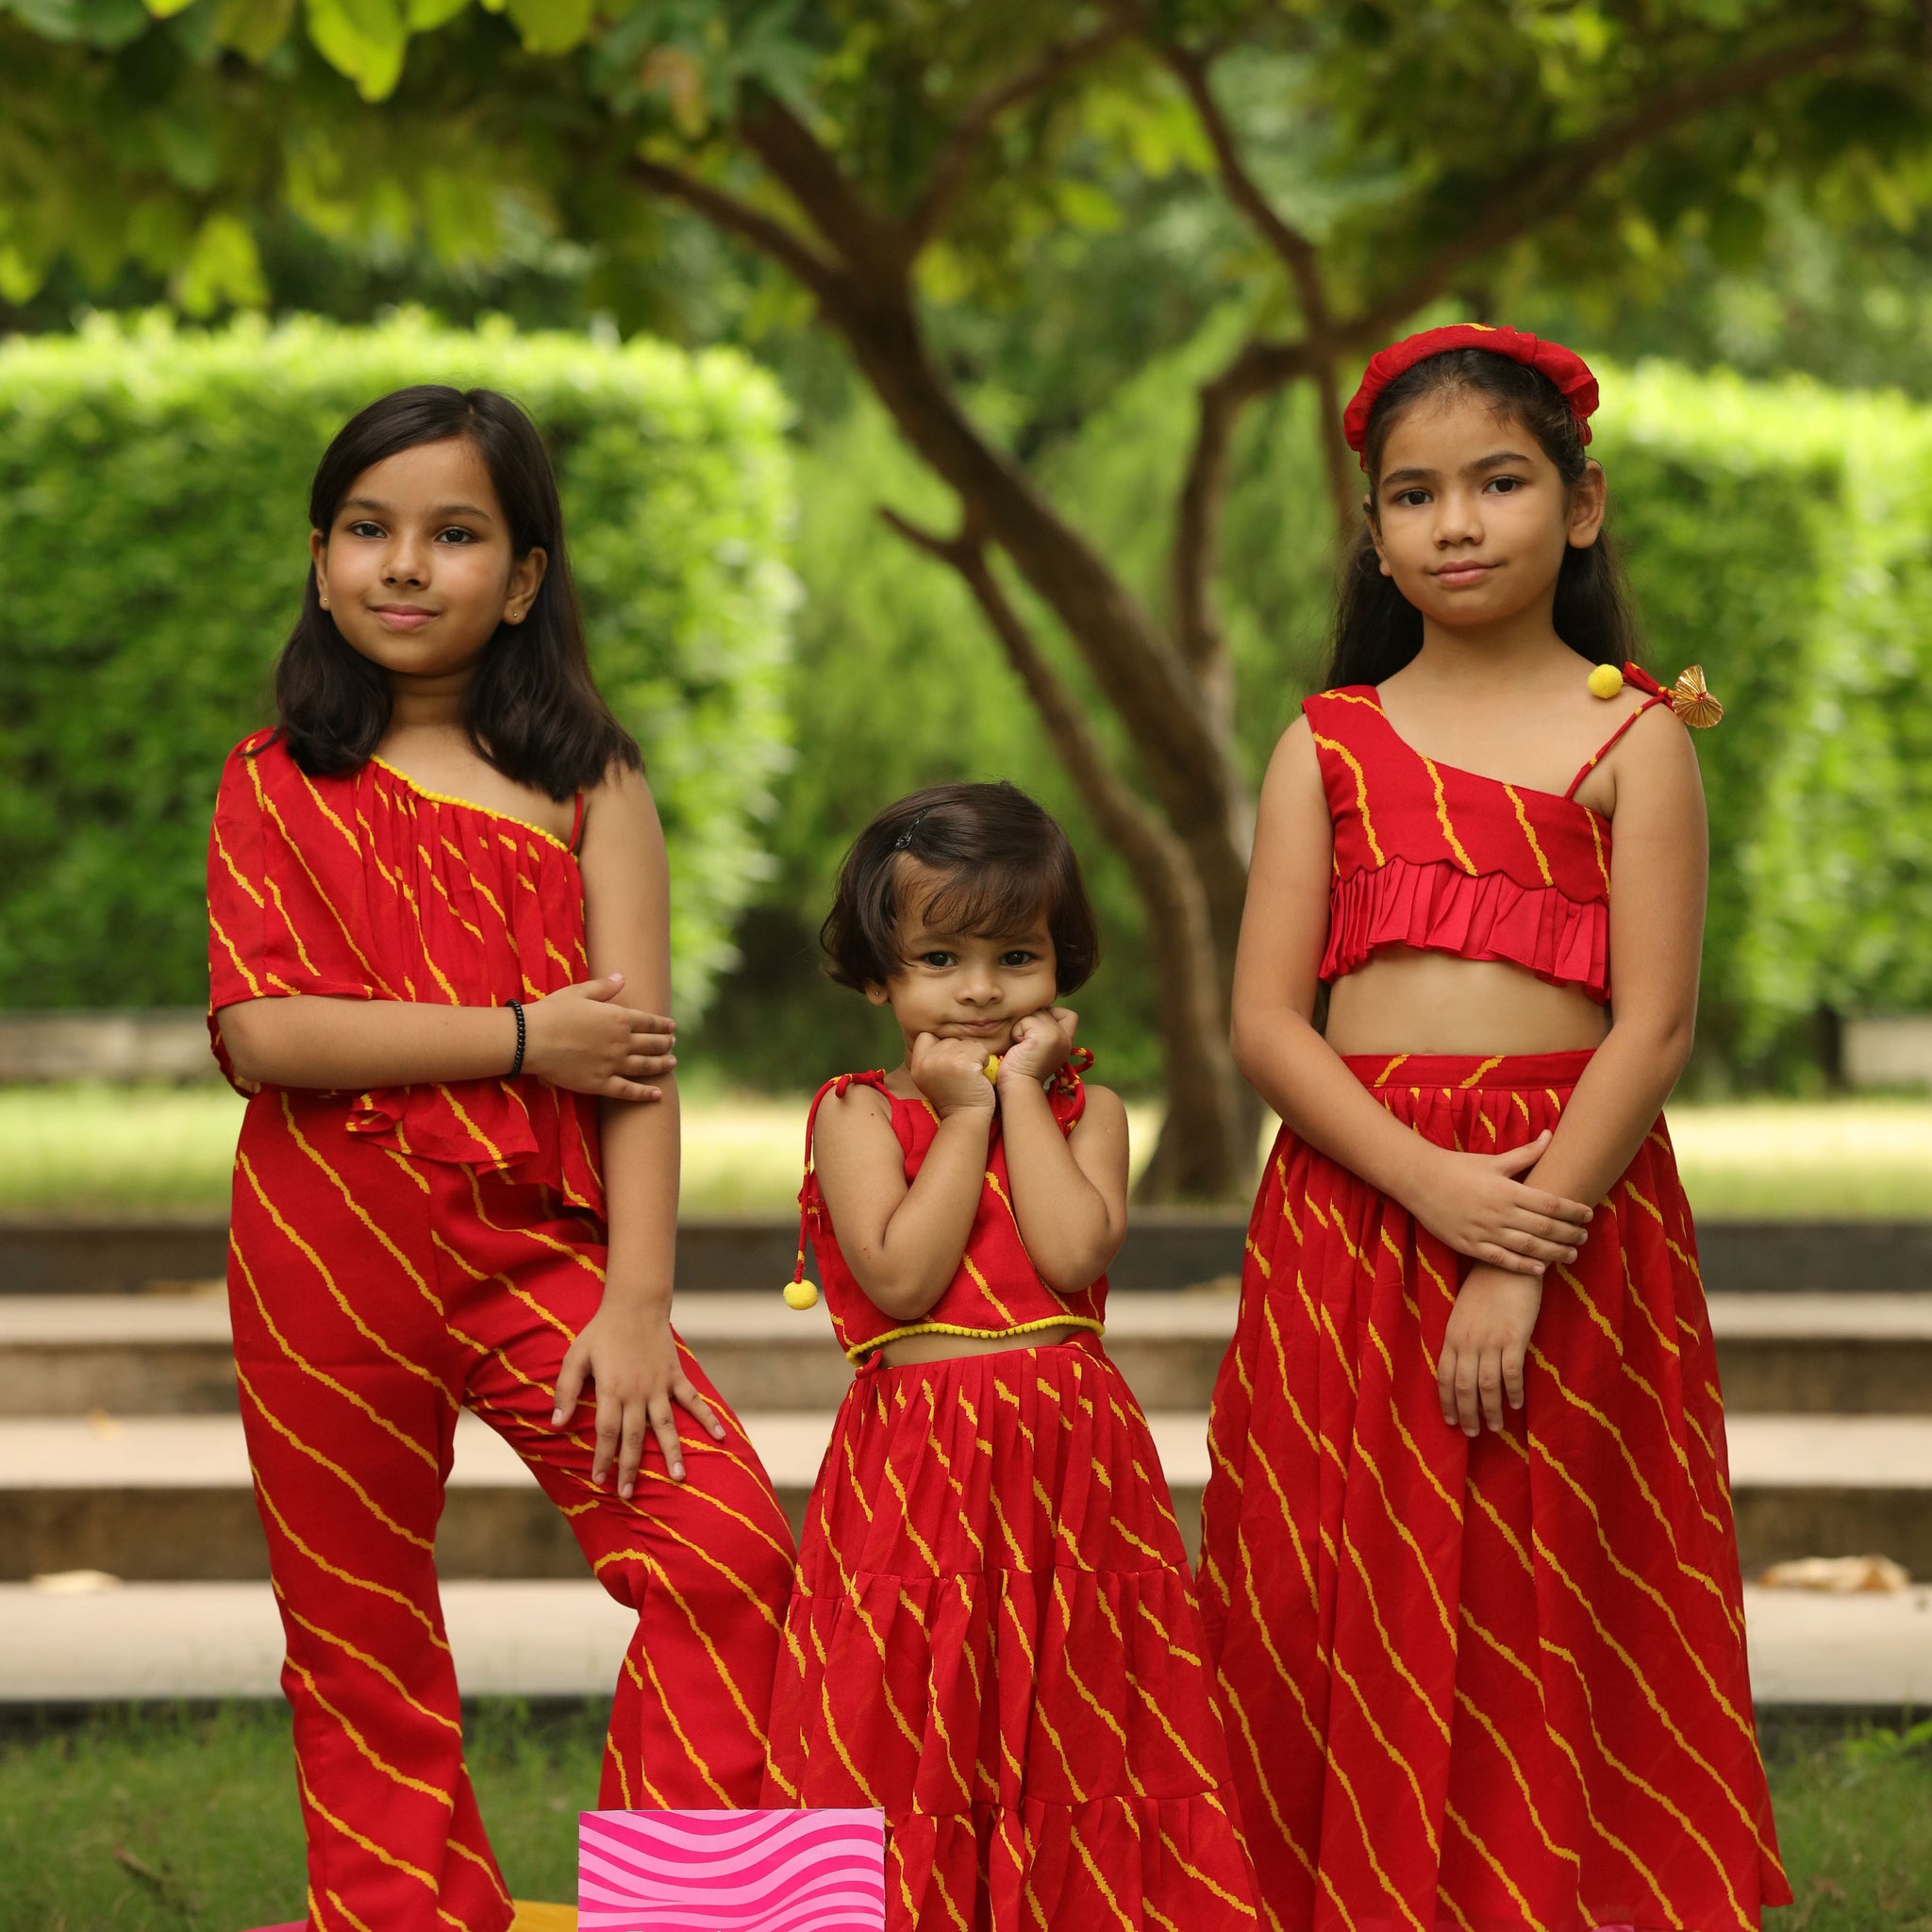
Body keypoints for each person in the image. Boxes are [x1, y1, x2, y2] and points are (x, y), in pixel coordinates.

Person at [1200, 325, 1790, 1931]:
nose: (1453, 522)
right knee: (1336, 1580)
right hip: (1350, 1204)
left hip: (1568, 1215)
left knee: (1548, 1579)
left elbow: (1649, 1026)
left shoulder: (1636, 738)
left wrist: (1515, 1248)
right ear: (1373, 531)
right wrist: (1430, 1190)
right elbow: (1266, 1023)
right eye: (1412, 494)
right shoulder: (1321, 741)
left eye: (1497, 482)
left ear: (1579, 506)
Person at [206, 385, 795, 1932]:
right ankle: (404, 1913)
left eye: (453, 533)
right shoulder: (273, 778)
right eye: (368, 529)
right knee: (355, 1626)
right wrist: (527, 1036)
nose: (406, 564)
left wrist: (642, 1300)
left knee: (725, 1548)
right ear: (322, 555)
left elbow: (642, 1065)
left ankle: (684, 1909)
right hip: (322, 1246)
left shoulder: (588, 780)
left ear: (523, 576)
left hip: (545, 1256)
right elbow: (266, 1033)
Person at [762, 783, 1259, 1928]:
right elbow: (897, 1274)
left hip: (1069, 1466)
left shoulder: (1091, 1109)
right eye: (939, 955)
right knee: (902, 1707)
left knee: (1079, 1715)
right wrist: (965, 1120)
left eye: (1015, 953)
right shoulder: (851, 1113)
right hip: (914, 1467)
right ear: (880, 976)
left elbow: (1071, 1242)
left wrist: (1020, 1096)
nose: (981, 988)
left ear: (1061, 967)